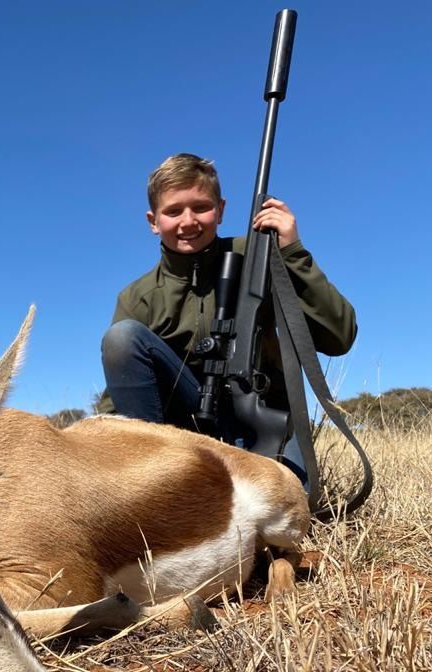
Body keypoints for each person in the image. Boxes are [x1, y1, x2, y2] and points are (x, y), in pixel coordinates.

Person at [100, 153, 356, 479]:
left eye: (201, 207)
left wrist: (293, 253)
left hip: (262, 420)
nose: (188, 221)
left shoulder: (258, 255)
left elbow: (339, 337)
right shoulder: (138, 297)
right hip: (181, 437)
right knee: (122, 338)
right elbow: (122, 394)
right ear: (153, 221)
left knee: (293, 506)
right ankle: (154, 480)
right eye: (173, 211)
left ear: (220, 210)